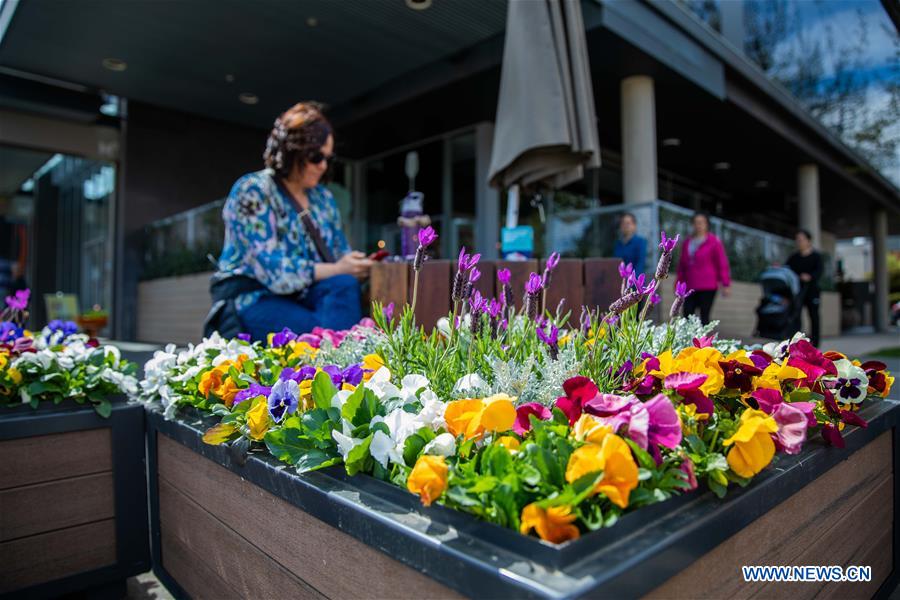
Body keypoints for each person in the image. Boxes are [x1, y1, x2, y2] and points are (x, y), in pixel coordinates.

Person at [212, 102, 372, 341]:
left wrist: (357, 265)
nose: (323, 166)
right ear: (291, 150)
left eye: (329, 158)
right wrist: (339, 268)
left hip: (310, 294)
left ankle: (338, 359)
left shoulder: (323, 198)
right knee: (322, 335)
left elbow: (339, 255)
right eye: (316, 156)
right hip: (257, 296)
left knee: (345, 285)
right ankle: (341, 362)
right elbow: (271, 268)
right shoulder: (253, 190)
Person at [676, 211, 731, 324]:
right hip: (690, 284)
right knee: (687, 314)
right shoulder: (687, 242)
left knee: (704, 316)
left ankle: (703, 341)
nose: (698, 225)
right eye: (696, 222)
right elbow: (682, 265)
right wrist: (678, 283)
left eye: (701, 222)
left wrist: (725, 284)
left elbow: (722, 263)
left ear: (707, 224)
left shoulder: (714, 242)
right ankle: (689, 340)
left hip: (708, 285)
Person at [786, 229, 823, 347]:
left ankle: (815, 344)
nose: (799, 242)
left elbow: (819, 271)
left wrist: (810, 276)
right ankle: (796, 343)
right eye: (797, 240)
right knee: (796, 316)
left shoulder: (816, 257)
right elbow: (787, 269)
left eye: (801, 240)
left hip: (812, 291)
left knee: (814, 316)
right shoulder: (794, 257)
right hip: (798, 292)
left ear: (808, 241)